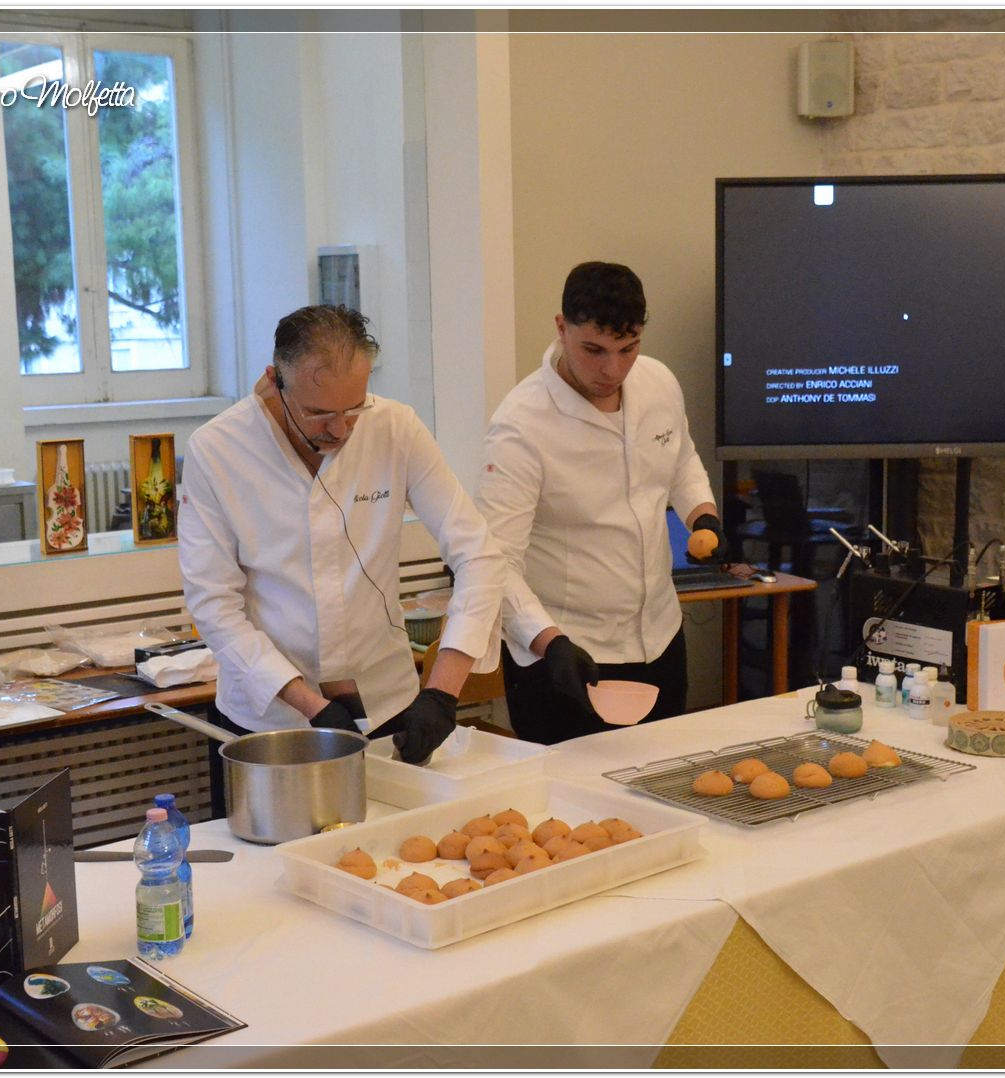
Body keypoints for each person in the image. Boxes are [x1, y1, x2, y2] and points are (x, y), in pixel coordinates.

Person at [178, 305, 504, 764]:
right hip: (273, 716)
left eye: (354, 408)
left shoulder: (395, 428)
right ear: (274, 380)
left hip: (388, 701)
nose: (339, 429)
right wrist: (311, 704)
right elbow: (214, 604)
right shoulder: (218, 449)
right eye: (318, 413)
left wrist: (442, 692)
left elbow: (479, 556)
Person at [475, 262, 722, 745]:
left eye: (628, 349)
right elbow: (493, 562)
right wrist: (548, 640)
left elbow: (681, 460)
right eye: (594, 350)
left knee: (663, 779)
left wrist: (703, 514)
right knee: (571, 793)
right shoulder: (520, 427)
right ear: (561, 328)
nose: (613, 369)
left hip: (660, 638)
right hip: (567, 655)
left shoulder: (658, 383)